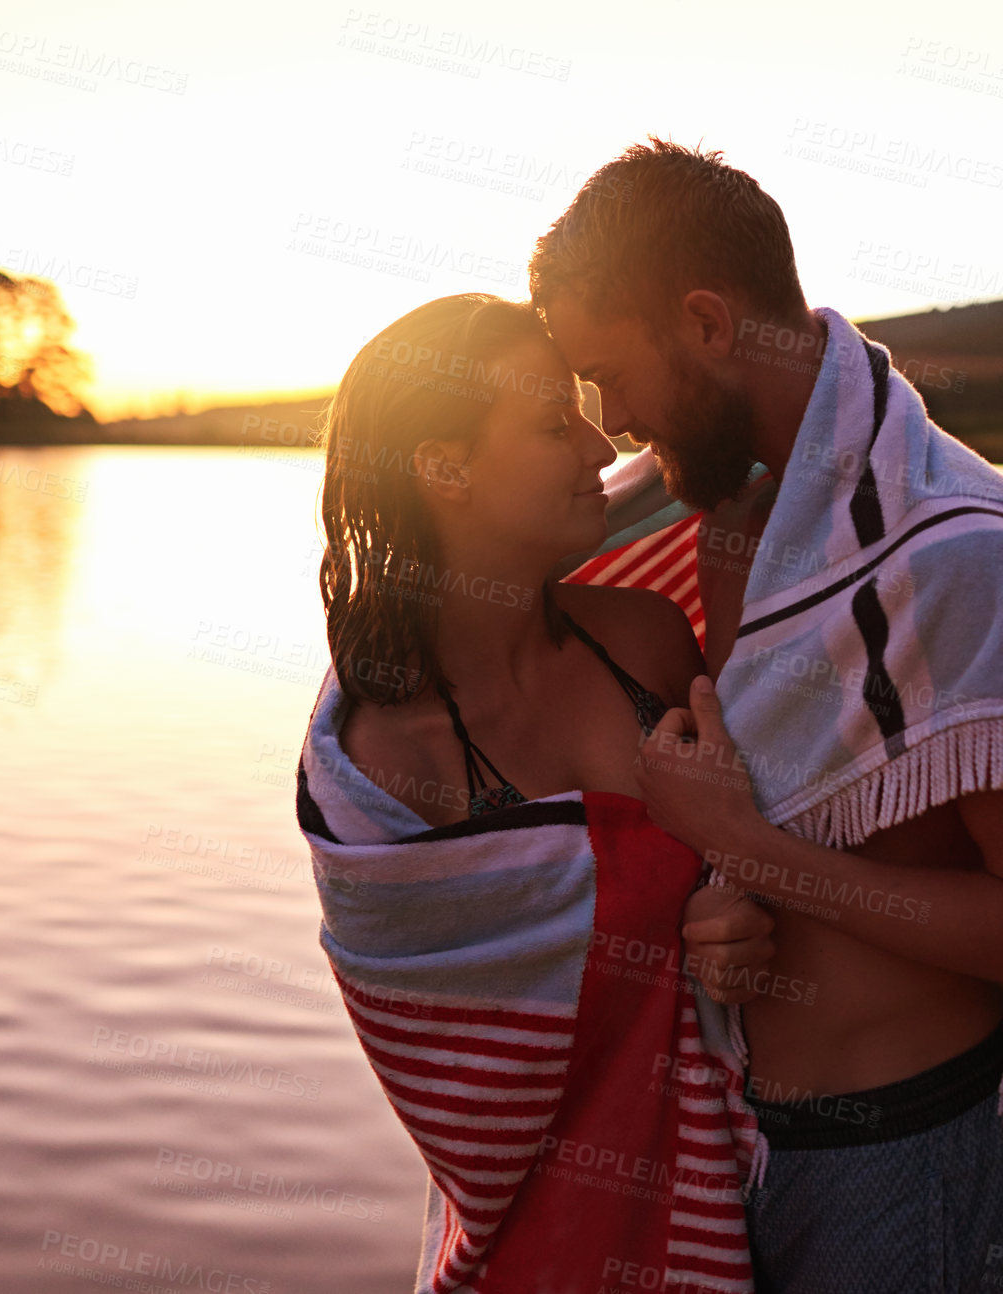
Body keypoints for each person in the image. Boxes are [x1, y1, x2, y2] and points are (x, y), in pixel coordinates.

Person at [531, 140, 1003, 1294]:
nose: (612, 421)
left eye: (609, 373)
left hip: (909, 1158)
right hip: (746, 1151)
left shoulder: (954, 553)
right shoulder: (719, 519)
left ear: (708, 323)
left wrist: (750, 848)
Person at [292, 293, 773, 1294]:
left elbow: (746, 835)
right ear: (443, 466)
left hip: (736, 1196)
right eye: (554, 421)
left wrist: (738, 903)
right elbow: (464, 1080)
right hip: (536, 1250)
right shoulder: (384, 766)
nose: (600, 445)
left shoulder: (642, 641)